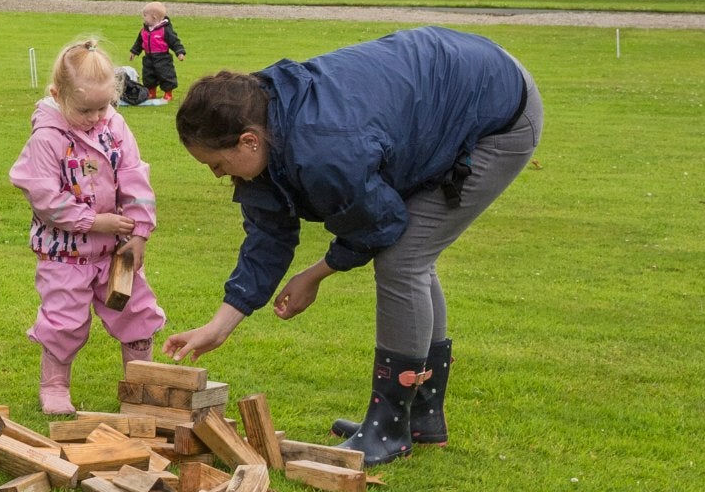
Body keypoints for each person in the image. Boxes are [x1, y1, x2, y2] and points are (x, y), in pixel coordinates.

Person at [159, 27, 542, 465]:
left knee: (404, 260)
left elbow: (381, 222)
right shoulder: (263, 118)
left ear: (249, 140)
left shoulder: (324, 149)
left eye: (218, 164)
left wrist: (316, 274)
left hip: (495, 112)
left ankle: (390, 427)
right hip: (438, 93)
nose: (217, 175)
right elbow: (269, 233)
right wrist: (220, 324)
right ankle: (423, 416)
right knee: (412, 258)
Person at [10, 38, 167, 416]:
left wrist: (140, 232)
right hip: (65, 255)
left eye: (104, 106)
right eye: (86, 110)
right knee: (64, 321)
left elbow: (133, 175)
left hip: (116, 250)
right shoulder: (46, 139)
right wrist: (95, 222)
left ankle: (139, 387)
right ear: (57, 94)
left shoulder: (114, 125)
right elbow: (44, 198)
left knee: (136, 313)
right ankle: (54, 387)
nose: (97, 117)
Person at [130, 3, 183, 101]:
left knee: (166, 75)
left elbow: (174, 41)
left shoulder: (165, 30)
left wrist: (179, 52)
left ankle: (168, 93)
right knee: (148, 75)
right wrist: (134, 52)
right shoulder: (144, 30)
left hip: (163, 58)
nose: (143, 18)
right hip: (148, 57)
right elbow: (139, 42)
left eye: (145, 16)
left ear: (154, 17)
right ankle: (151, 92)